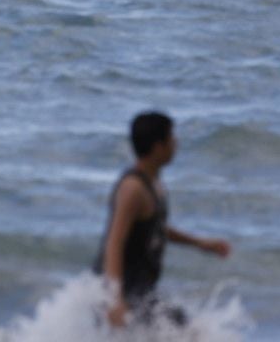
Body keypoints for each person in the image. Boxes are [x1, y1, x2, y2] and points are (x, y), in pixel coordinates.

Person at [93, 112, 229, 328]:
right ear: (158, 147)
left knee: (187, 331)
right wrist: (115, 301)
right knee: (187, 332)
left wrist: (201, 244)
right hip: (122, 295)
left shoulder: (153, 182)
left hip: (141, 293)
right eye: (171, 138)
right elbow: (114, 243)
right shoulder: (133, 188)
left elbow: (155, 229)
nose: (176, 143)